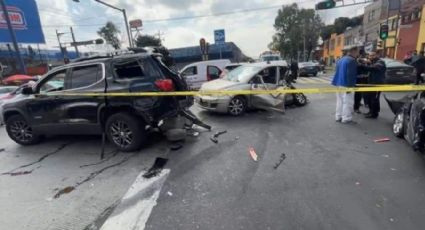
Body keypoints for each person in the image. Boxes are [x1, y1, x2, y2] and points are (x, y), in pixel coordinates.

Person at [331, 46, 359, 124]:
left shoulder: (341, 60)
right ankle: (346, 118)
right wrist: (350, 87)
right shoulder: (352, 61)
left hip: (338, 83)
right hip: (346, 85)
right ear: (353, 51)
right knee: (348, 102)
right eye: (357, 52)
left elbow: (337, 72)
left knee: (339, 101)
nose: (358, 54)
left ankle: (338, 116)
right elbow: (350, 75)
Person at [359, 51, 386, 118]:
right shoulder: (373, 62)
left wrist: (362, 65)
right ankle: (371, 111)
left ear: (377, 55)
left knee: (374, 99)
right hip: (371, 83)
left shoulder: (380, 62)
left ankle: (374, 114)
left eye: (372, 55)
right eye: (370, 55)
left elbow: (373, 68)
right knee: (370, 98)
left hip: (377, 84)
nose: (370, 57)